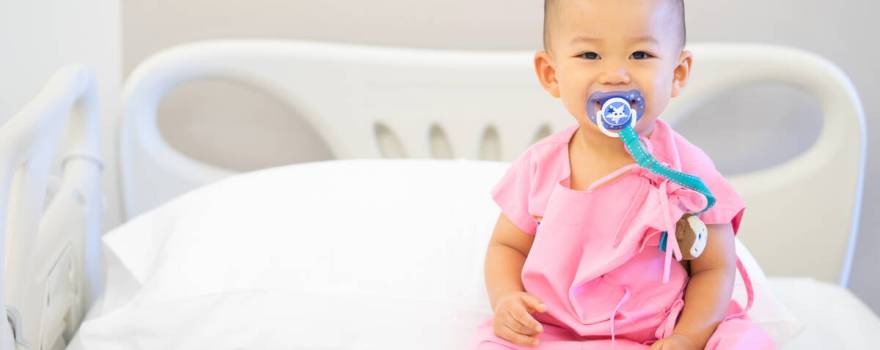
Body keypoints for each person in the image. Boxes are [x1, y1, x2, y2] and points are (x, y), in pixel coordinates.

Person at [469, 0, 775, 349]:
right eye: (589, 55)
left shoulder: (686, 169)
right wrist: (507, 299)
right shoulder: (540, 166)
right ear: (551, 74)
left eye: (640, 54)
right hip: (554, 332)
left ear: (677, 74)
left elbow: (714, 268)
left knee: (745, 342)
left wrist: (688, 336)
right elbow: (506, 246)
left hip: (662, 332)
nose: (615, 74)